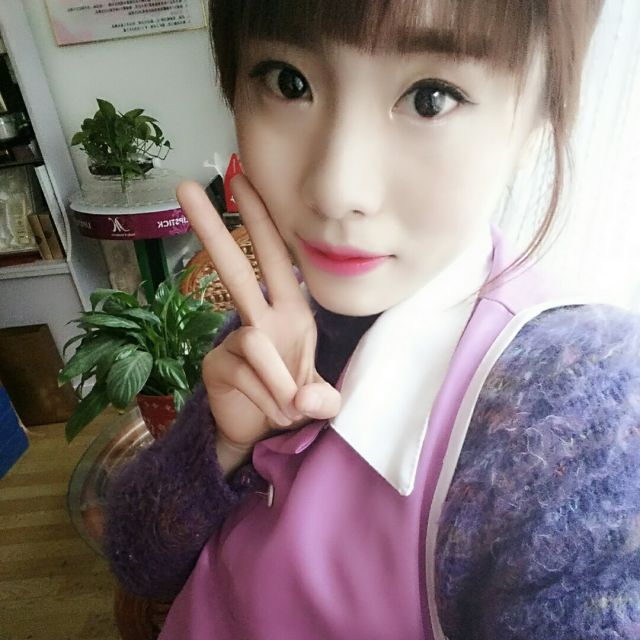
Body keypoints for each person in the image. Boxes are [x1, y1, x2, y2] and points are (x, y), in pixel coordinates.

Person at [104, 1, 640, 638]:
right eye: (288, 82)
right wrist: (222, 445)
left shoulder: (581, 416)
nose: (337, 190)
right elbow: (137, 564)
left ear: (537, 123)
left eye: (431, 98)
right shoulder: (279, 316)